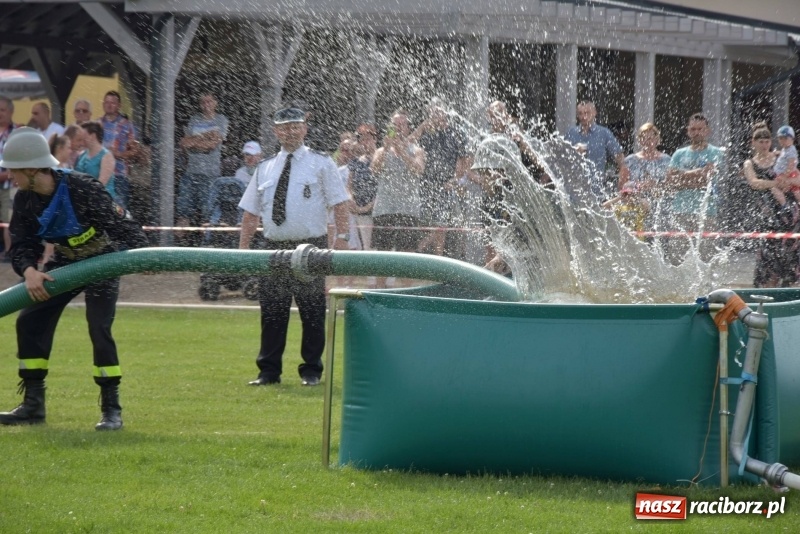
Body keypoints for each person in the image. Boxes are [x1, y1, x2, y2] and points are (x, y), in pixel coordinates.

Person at [0, 127, 149, 429]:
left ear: (32, 169)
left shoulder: (83, 188)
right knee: (30, 319)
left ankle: (111, 410)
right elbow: (22, 244)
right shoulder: (25, 200)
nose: (10, 176)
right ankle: (33, 406)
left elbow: (127, 229)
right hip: (65, 263)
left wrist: (144, 258)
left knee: (98, 327)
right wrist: (30, 271)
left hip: (103, 262)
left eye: (14, 170)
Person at [238, 107, 351, 387]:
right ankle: (268, 372)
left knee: (312, 311)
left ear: (304, 129)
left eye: (295, 126)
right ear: (276, 131)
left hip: (311, 247)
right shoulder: (265, 167)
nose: (290, 132)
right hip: (273, 247)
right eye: (284, 127)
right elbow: (251, 212)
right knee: (272, 311)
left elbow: (340, 203)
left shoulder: (321, 163)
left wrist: (342, 237)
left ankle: (311, 370)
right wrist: (243, 248)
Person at [663, 113, 725, 264]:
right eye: (693, 129)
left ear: (707, 131)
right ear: (688, 131)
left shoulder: (716, 152)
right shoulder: (679, 154)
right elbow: (670, 182)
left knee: (707, 258)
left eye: (700, 129)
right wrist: (697, 172)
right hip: (680, 211)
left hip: (706, 212)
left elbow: (706, 180)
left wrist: (681, 177)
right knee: (676, 258)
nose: (696, 132)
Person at [410, 100, 470, 256]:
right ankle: (423, 254)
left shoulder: (456, 132)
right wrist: (422, 127)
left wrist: (454, 180)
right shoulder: (426, 132)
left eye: (438, 112)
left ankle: (435, 256)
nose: (435, 115)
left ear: (445, 113)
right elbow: (408, 144)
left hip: (447, 185)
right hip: (425, 184)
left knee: (442, 225)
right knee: (425, 223)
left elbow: (464, 160)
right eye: (432, 112)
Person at [743, 124, 799, 287]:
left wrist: (788, 181)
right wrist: (775, 183)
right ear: (753, 142)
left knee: (791, 253)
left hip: (788, 213)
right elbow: (754, 183)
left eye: (767, 141)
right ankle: (767, 289)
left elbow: (797, 178)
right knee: (768, 254)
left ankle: (789, 290)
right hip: (767, 214)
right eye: (760, 142)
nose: (764, 145)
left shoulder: (780, 156)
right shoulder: (749, 163)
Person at [370, 110, 425, 256]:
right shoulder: (381, 151)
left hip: (408, 210)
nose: (398, 128)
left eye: (402, 124)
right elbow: (374, 170)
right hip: (384, 209)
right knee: (383, 256)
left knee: (407, 257)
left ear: (408, 128)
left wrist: (401, 152)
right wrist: (386, 148)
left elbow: (419, 170)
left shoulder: (417, 151)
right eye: (395, 125)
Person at [177, 93, 229, 236]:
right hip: (191, 171)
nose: (206, 105)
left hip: (210, 173)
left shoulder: (221, 120)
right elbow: (184, 143)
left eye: (209, 101)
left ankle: (206, 243)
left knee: (208, 213)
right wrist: (206, 136)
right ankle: (177, 244)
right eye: (203, 102)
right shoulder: (194, 119)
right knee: (183, 212)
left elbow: (212, 145)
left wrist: (195, 142)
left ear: (215, 103)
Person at [564, 100, 629, 199]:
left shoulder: (604, 133)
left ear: (594, 113)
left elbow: (619, 156)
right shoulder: (571, 133)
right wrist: (573, 152)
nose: (583, 117)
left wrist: (622, 177)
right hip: (572, 191)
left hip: (595, 192)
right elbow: (562, 158)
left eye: (587, 113)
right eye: (580, 113)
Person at [623, 123, 672, 231]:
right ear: (639, 140)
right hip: (637, 209)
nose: (647, 141)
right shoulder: (630, 160)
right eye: (644, 138)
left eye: (650, 138)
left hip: (661, 209)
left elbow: (671, 185)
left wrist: (656, 185)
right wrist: (638, 187)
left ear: (657, 139)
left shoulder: (667, 160)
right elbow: (622, 187)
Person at [100, 91, 138, 208]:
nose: (109, 105)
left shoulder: (127, 125)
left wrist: (119, 154)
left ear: (119, 105)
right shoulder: (97, 124)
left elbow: (135, 151)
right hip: (99, 172)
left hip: (119, 175)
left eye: (113, 102)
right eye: (107, 102)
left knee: (119, 211)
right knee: (100, 209)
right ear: (103, 104)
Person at [0, 96, 20, 263]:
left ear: (11, 112)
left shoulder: (17, 133)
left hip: (9, 184)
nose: (0, 113)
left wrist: (9, 174)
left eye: (2, 110)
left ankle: (9, 252)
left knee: (8, 220)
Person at [75, 121, 117, 200]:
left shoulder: (107, 156)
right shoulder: (82, 155)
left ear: (93, 136)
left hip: (103, 200)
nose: (81, 140)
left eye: (84, 136)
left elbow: (102, 183)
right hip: (86, 199)